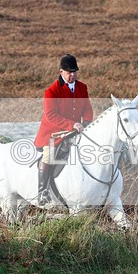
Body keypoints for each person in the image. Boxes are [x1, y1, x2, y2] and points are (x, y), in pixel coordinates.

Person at [33, 54, 94, 206]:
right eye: (69, 72)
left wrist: (87, 121)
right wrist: (72, 124)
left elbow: (87, 107)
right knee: (49, 156)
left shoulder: (82, 87)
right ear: (61, 72)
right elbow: (51, 115)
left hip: (76, 131)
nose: (72, 74)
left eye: (74, 71)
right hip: (54, 133)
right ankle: (42, 192)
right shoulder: (51, 91)